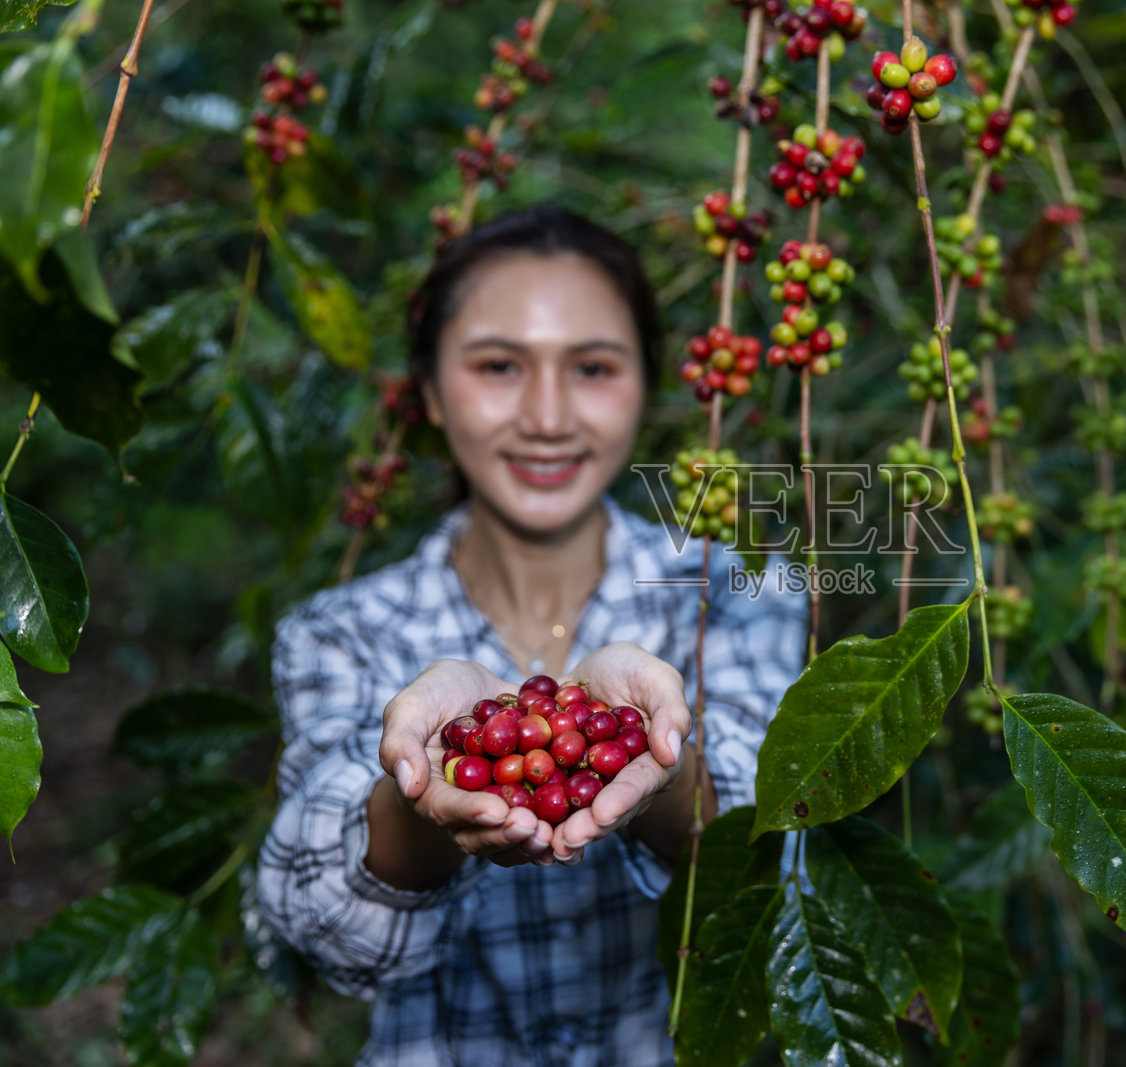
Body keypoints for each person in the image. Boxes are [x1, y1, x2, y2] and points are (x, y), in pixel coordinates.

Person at [253, 203, 808, 1066]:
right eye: (499, 365)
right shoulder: (342, 633)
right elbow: (325, 930)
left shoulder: (737, 588)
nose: (547, 415)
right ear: (432, 392)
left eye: (591, 367)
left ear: (646, 385)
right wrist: (417, 790)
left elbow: (787, 850)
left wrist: (665, 754)